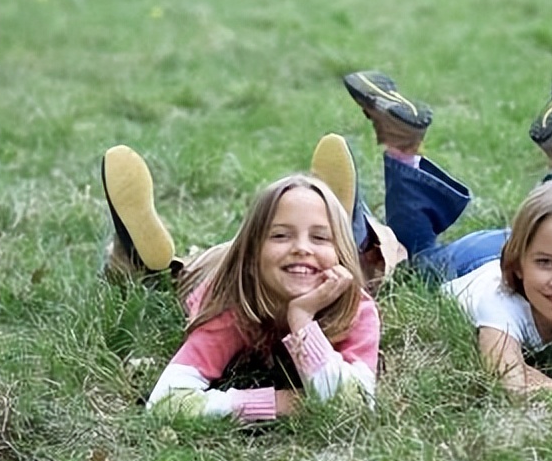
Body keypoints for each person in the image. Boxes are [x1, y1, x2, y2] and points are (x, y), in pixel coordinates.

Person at [339, 66, 552, 397]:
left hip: (544, 239)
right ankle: (403, 149)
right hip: (468, 264)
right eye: (546, 266)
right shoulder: (499, 300)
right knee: (418, 258)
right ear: (516, 263)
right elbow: (512, 389)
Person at [100, 140, 381, 420]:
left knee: (374, 261)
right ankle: (145, 260)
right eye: (281, 234)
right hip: (213, 269)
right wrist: (275, 403)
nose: (302, 247)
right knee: (183, 272)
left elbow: (353, 406)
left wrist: (302, 319)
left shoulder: (358, 309)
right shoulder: (232, 307)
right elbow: (165, 402)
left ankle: (333, 218)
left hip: (279, 261)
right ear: (251, 259)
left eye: (319, 236)